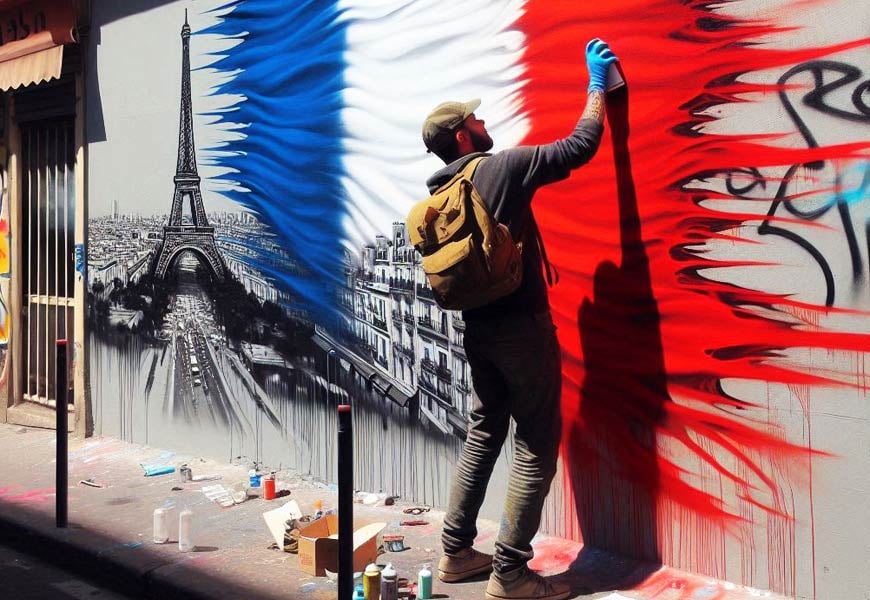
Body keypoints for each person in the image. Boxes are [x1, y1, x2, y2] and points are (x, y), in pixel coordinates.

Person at [421, 39, 618, 600]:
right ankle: (510, 573)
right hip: (523, 330)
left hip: (477, 331)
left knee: (483, 432)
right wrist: (596, 85)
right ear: (463, 135)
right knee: (535, 442)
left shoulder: (440, 192)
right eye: (475, 117)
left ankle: (456, 552)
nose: (485, 121)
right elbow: (581, 146)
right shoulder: (503, 168)